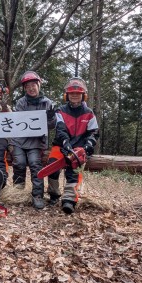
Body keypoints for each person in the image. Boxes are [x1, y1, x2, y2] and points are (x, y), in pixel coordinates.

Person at [47, 77, 99, 214]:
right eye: (71, 93)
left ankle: (69, 200)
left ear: (83, 95)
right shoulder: (60, 111)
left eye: (78, 93)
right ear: (67, 95)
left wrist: (87, 146)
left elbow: (94, 132)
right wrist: (66, 143)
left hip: (79, 147)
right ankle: (54, 194)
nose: (75, 96)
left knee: (74, 168)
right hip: (61, 145)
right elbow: (60, 129)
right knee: (52, 165)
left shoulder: (89, 113)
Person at [10, 71, 56, 209]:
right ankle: (17, 192)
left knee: (36, 164)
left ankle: (37, 195)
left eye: (33, 85)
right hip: (19, 140)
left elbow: (52, 126)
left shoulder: (48, 103)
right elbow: (19, 122)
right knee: (19, 163)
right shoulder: (21, 102)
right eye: (28, 86)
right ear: (24, 88)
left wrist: (50, 117)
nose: (31, 88)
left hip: (37, 142)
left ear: (39, 85)